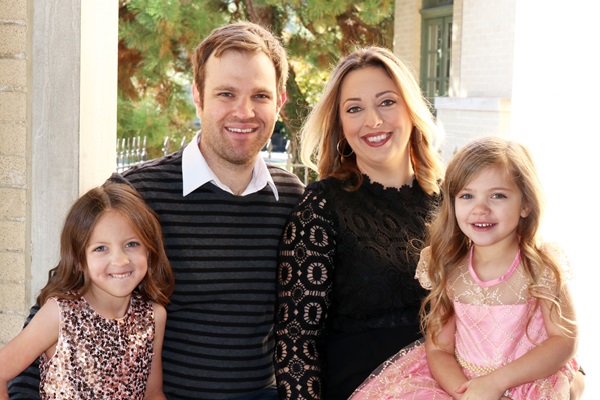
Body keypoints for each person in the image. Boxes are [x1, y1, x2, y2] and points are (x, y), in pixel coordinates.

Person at [8, 21, 304, 399]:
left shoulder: (293, 197)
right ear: (198, 95)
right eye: (226, 93)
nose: (243, 111)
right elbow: (63, 303)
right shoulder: (135, 193)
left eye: (260, 96)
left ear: (280, 100)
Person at [350, 136, 580, 400]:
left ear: (525, 205)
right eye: (467, 195)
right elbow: (439, 349)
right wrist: (466, 393)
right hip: (460, 385)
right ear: (453, 203)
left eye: (497, 195)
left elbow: (564, 340)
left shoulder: (541, 267)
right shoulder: (449, 265)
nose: (480, 209)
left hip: (526, 379)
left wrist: (495, 383)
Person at [273, 46, 445, 399]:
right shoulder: (322, 207)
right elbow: (295, 344)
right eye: (355, 109)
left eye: (386, 102)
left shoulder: (454, 202)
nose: (373, 121)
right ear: (340, 125)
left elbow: (511, 286)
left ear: (411, 109)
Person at [0, 184, 174, 400]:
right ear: (79, 260)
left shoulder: (154, 316)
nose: (120, 260)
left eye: (132, 244)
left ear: (149, 250)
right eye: (101, 248)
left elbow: (152, 392)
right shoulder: (58, 314)